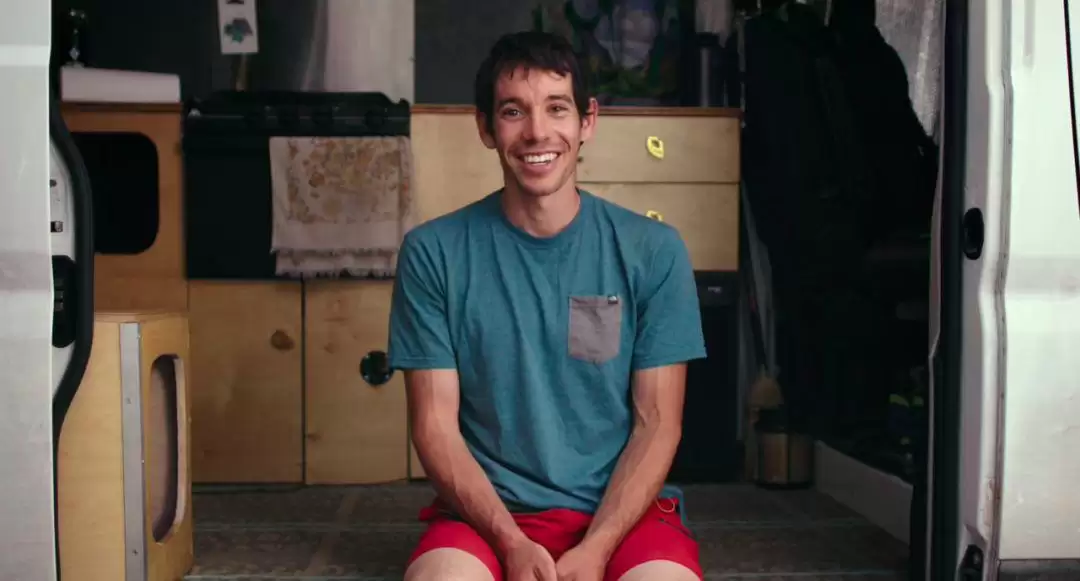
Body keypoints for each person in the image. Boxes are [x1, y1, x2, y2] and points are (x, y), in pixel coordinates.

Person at [388, 30, 707, 581]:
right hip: (488, 517)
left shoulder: (653, 250)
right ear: (485, 128)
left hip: (624, 516)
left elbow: (657, 423)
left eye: (557, 108)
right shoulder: (433, 252)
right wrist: (509, 541)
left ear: (587, 121)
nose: (537, 131)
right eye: (513, 111)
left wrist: (598, 547)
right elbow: (434, 425)